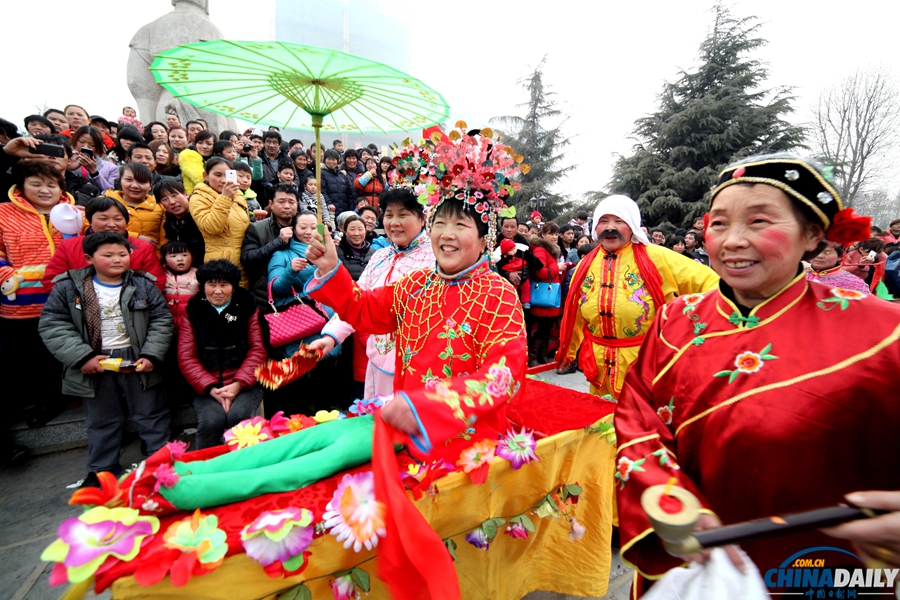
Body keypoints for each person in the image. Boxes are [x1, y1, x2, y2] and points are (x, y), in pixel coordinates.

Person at [613, 154, 900, 596]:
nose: (732, 241)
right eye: (720, 223)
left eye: (759, 220)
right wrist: (669, 495)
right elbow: (637, 418)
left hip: (825, 567)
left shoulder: (882, 334)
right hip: (695, 563)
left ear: (812, 235)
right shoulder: (675, 320)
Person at [39, 231, 173, 488]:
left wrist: (151, 354)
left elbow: (161, 320)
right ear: (89, 258)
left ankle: (162, 462)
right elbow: (53, 325)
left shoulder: (142, 284)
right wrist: (82, 357)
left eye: (123, 254)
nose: (117, 260)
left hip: (137, 358)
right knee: (101, 418)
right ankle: (102, 468)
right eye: (108, 255)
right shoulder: (70, 287)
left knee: (151, 412)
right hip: (94, 361)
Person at [555, 195, 719, 397]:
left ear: (632, 225)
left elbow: (712, 283)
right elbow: (576, 314)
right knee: (600, 423)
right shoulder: (585, 265)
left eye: (619, 221)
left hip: (644, 362)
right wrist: (569, 352)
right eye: (603, 222)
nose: (610, 228)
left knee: (640, 424)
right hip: (598, 364)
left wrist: (688, 323)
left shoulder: (657, 256)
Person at [0, 162, 73, 444]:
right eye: (36, 184)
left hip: (65, 300)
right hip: (21, 301)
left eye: (51, 184)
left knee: (55, 357)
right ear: (21, 187)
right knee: (22, 357)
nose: (44, 190)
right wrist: (8, 276)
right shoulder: (5, 213)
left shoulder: (72, 213)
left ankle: (52, 400)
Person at [267, 212, 353, 413]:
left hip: (327, 318)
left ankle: (324, 415)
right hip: (301, 322)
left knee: (325, 377)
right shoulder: (282, 255)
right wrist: (291, 270)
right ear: (294, 229)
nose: (308, 232)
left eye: (313, 227)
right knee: (298, 381)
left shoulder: (328, 251)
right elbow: (276, 289)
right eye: (303, 227)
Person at [178, 259, 266, 449]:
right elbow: (186, 356)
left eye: (224, 285)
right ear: (203, 286)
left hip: (245, 382)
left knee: (239, 418)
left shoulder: (247, 307)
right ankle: (206, 469)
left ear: (233, 287)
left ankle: (247, 466)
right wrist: (211, 388)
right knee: (211, 421)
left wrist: (237, 385)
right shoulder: (193, 310)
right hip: (205, 384)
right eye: (211, 284)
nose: (217, 291)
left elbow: (257, 349)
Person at [42, 196, 165, 293]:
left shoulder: (143, 248)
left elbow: (156, 282)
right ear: (90, 221)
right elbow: (52, 280)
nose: (111, 224)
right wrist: (80, 301)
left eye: (117, 219)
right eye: (103, 219)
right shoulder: (69, 246)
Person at [190, 157, 250, 285]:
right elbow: (212, 227)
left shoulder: (238, 196)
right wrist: (225, 197)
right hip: (219, 263)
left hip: (243, 260)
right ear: (206, 176)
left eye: (227, 175)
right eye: (218, 175)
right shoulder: (198, 198)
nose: (223, 180)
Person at [240, 182, 299, 311]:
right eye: (281, 201)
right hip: (266, 296)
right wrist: (278, 242)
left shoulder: (305, 227)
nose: (287, 206)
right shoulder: (257, 228)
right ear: (271, 204)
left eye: (291, 202)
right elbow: (247, 259)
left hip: (300, 293)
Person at [104, 163, 166, 247]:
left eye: (142, 181)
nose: (135, 186)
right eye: (129, 180)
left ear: (150, 186)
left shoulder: (160, 206)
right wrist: (135, 237)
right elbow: (91, 229)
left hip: (149, 257)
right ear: (120, 182)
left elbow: (164, 239)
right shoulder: (104, 202)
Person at [528, 221, 563, 366]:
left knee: (547, 327)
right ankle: (533, 357)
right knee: (542, 328)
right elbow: (540, 271)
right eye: (551, 233)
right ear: (543, 234)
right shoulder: (541, 250)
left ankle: (541, 355)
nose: (554, 237)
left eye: (556, 234)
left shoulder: (551, 249)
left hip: (551, 294)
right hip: (545, 294)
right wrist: (557, 266)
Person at [154, 178, 204, 266]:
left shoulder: (201, 215)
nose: (172, 202)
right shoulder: (168, 220)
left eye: (174, 195)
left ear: (186, 194)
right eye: (165, 199)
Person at [805, 241, 870, 295]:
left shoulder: (853, 282)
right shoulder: (800, 274)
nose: (819, 256)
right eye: (816, 251)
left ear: (839, 256)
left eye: (827, 252)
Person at [160, 240, 198, 327]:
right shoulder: (160, 274)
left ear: (192, 258)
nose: (180, 259)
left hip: (190, 323)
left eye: (184, 255)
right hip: (167, 323)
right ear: (165, 261)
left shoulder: (198, 275)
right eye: (173, 256)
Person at [69, 126, 119, 192]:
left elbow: (112, 192)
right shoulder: (65, 160)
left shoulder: (112, 168)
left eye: (92, 145)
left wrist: (95, 173)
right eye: (81, 141)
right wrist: (67, 168)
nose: (86, 147)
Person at [336, 213, 375, 280]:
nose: (356, 234)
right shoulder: (336, 252)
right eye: (352, 229)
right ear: (345, 231)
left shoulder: (374, 253)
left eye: (360, 229)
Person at [496, 237, 531, 308]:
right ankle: (512, 301)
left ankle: (526, 301)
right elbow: (500, 268)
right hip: (509, 279)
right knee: (512, 289)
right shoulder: (503, 259)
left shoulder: (521, 255)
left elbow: (528, 264)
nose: (514, 251)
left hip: (522, 274)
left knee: (526, 287)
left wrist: (523, 274)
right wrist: (507, 274)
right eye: (511, 250)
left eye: (514, 249)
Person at [179, 130, 216, 194]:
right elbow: (200, 178)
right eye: (200, 143)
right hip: (196, 197)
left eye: (209, 144)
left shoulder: (214, 158)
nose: (204, 146)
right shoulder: (188, 154)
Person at [320, 149, 354, 215]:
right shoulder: (321, 173)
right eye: (329, 159)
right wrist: (328, 203)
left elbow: (349, 194)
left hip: (344, 211)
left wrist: (351, 210)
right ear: (325, 160)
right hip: (329, 211)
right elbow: (322, 191)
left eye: (333, 160)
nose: (331, 162)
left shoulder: (342, 175)